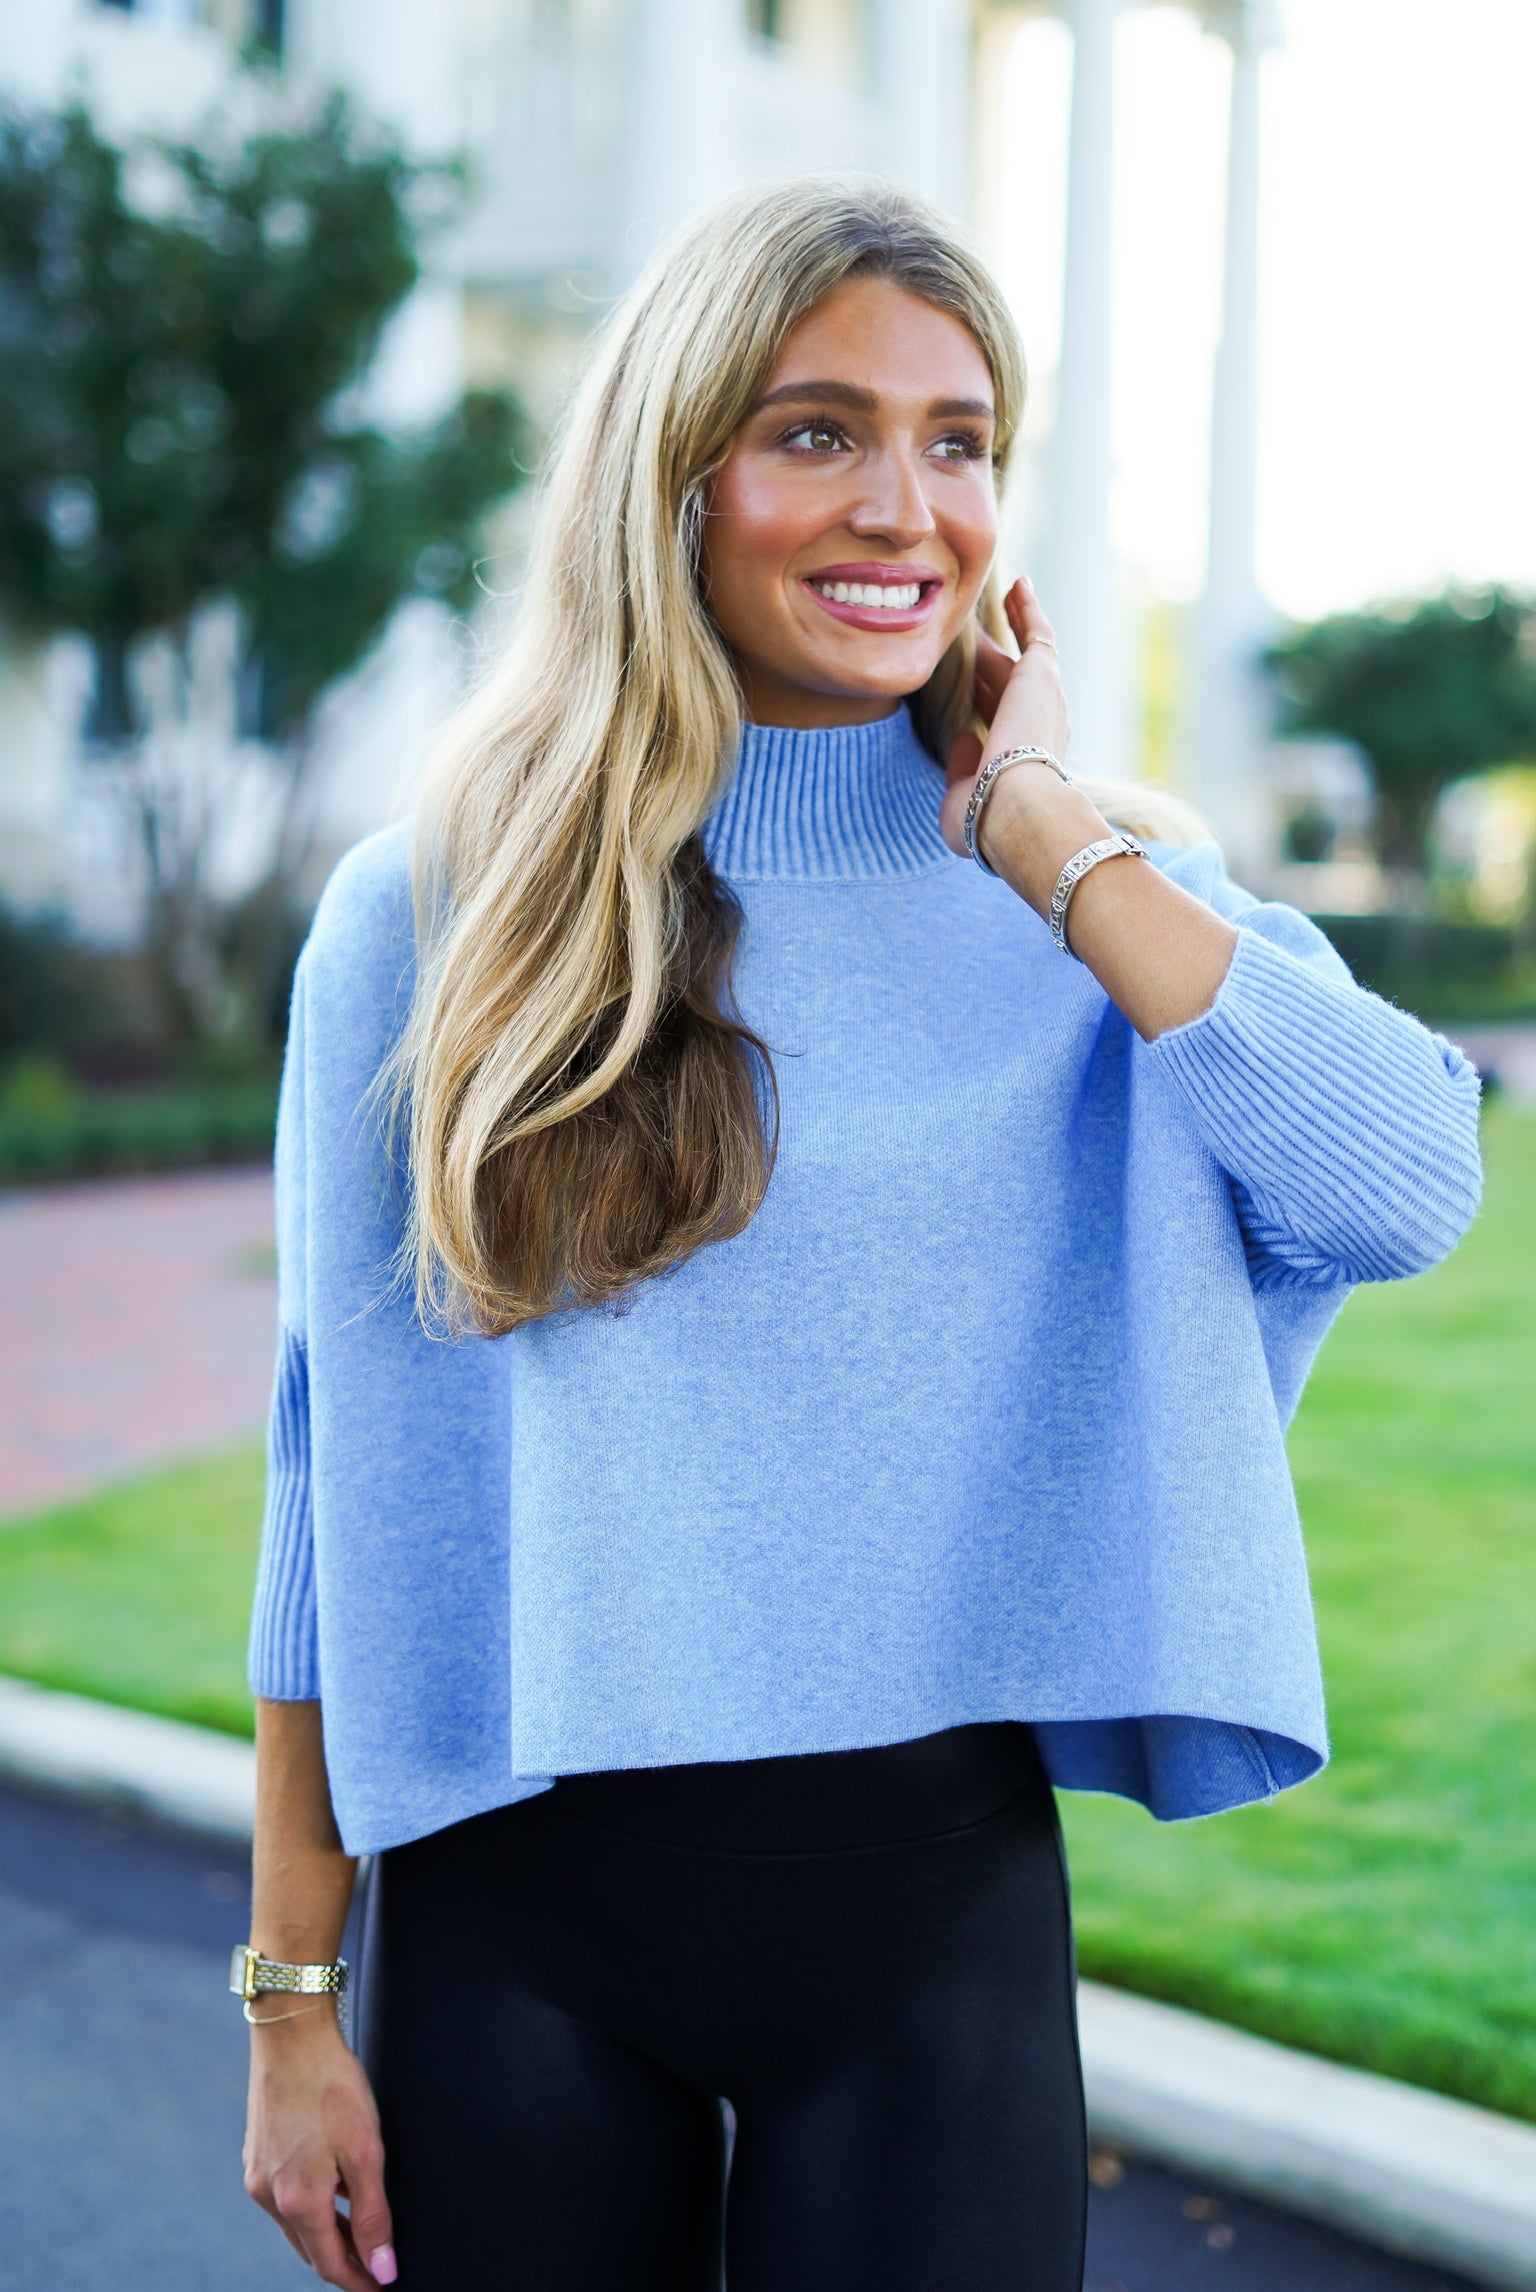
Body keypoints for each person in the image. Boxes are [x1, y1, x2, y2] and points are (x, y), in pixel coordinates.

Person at [237, 178, 1482, 2292]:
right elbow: (322, 1466)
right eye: (818, 431)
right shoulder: (444, 906)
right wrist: (289, 1998)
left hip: (928, 1931)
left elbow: (1405, 1184)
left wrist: (1045, 834)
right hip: (511, 1924)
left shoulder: (1100, 908)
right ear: (678, 477)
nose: (906, 507)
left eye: (960, 440)